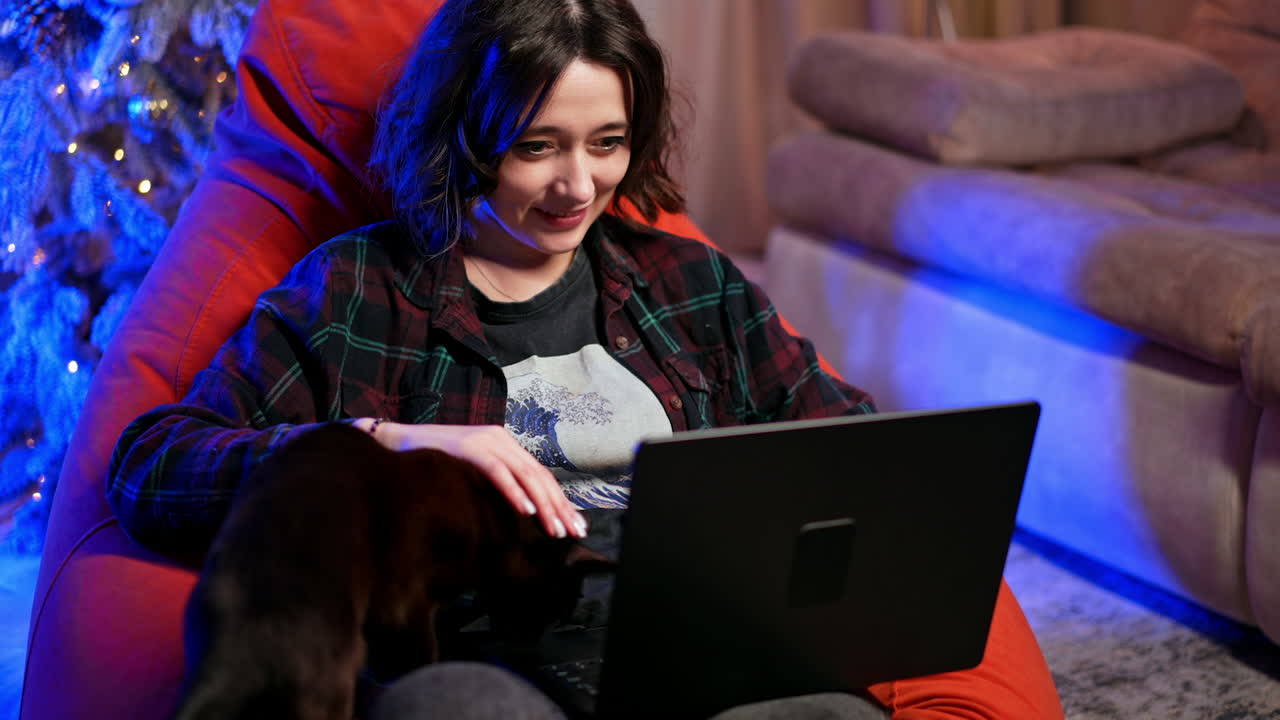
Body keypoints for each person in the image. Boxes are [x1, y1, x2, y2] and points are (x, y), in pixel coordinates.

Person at [106, 0, 1060, 718]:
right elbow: (151, 464)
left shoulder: (689, 283)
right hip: (495, 664)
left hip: (699, 655)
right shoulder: (360, 289)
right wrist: (386, 443)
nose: (578, 185)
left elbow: (847, 440)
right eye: (537, 148)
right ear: (465, 136)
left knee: (833, 715)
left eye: (608, 144)